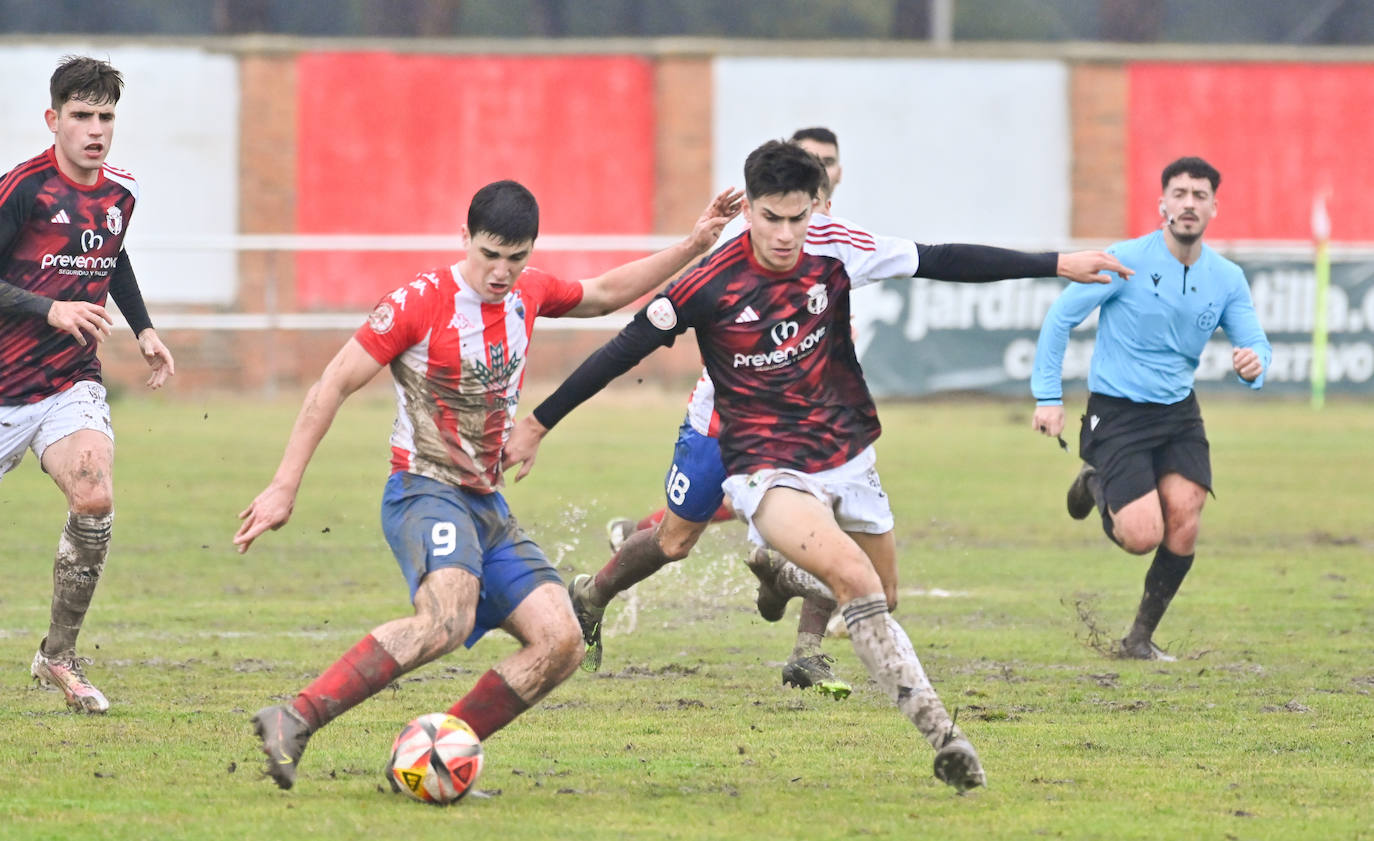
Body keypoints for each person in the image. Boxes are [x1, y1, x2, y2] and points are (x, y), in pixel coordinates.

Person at [502, 139, 1128, 792]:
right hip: (753, 453)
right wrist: (539, 422)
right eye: (770, 217)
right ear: (749, 208)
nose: (785, 233)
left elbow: (941, 259)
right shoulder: (711, 279)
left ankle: (777, 572)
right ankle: (945, 736)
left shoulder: (837, 244)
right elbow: (625, 346)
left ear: (816, 206)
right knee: (698, 543)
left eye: (797, 217)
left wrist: (1059, 262)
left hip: (845, 452)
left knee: (882, 598)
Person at [233, 179, 741, 791]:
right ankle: (294, 718)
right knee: (445, 620)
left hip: (487, 505)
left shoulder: (528, 293)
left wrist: (693, 244)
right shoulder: (418, 303)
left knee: (562, 643)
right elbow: (331, 385)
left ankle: (432, 758)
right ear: (465, 238)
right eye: (490, 254)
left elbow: (605, 294)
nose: (501, 272)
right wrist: (284, 487)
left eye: (516, 257)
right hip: (424, 489)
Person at [577, 127, 855, 699]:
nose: (820, 175)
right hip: (722, 418)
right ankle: (591, 595)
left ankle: (807, 652)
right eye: (812, 164)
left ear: (834, 179)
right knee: (675, 542)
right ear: (756, 206)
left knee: (836, 508)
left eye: (828, 163)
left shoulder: (845, 245)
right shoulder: (742, 256)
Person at [1030, 155, 1270, 661]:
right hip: (1116, 412)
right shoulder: (1125, 259)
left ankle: (1139, 638)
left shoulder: (1226, 278)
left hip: (1178, 412)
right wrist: (1048, 397)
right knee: (1142, 537)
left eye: (1199, 196)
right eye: (1179, 194)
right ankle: (1094, 482)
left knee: (1185, 517)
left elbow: (1255, 346)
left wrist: (1255, 365)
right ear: (1162, 203)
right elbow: (1058, 320)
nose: (1188, 204)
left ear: (1213, 208)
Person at [0, 55, 175, 714]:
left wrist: (145, 328)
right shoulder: (24, 188)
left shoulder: (120, 193)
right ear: (54, 120)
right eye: (81, 116)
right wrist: (48, 307)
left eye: (105, 116)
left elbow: (113, 253)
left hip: (65, 383)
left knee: (94, 492)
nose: (95, 129)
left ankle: (59, 654)